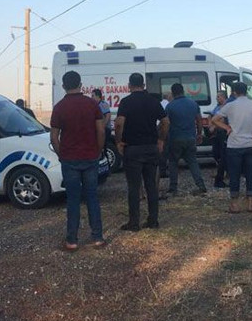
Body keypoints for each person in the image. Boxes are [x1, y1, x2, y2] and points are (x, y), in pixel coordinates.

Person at [50, 71, 106, 251]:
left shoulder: (59, 107)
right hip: (90, 157)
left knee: (73, 200)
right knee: (92, 197)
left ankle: (72, 241)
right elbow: (101, 131)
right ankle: (97, 238)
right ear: (80, 84)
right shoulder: (92, 105)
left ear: (64, 86)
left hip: (70, 160)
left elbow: (54, 136)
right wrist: (97, 151)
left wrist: (61, 154)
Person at [115, 73, 168, 231]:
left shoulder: (126, 102)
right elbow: (165, 122)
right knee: (151, 185)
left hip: (133, 149)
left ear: (129, 85)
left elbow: (119, 124)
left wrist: (118, 142)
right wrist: (161, 139)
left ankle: (134, 223)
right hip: (151, 148)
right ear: (143, 85)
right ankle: (153, 220)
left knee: (134, 187)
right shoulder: (153, 101)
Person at [210, 82, 252, 214]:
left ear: (234, 92)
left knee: (234, 174)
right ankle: (250, 203)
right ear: (246, 91)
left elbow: (215, 119)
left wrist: (227, 127)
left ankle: (234, 204)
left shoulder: (230, 106)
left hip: (234, 145)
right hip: (250, 144)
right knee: (250, 173)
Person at [165, 83, 207, 195]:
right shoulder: (193, 104)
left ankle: (173, 188)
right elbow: (199, 120)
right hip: (190, 137)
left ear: (173, 92)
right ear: (183, 91)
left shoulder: (170, 106)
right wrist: (199, 134)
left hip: (175, 138)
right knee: (193, 162)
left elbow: (166, 123)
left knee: (173, 163)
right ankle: (201, 185)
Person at [210, 90, 229, 189]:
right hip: (217, 134)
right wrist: (211, 124)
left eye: (218, 97)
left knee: (223, 156)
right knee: (215, 153)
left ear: (223, 97)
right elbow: (212, 116)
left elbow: (221, 119)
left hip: (224, 133)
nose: (217, 98)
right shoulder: (217, 107)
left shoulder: (227, 107)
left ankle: (220, 178)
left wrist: (214, 126)